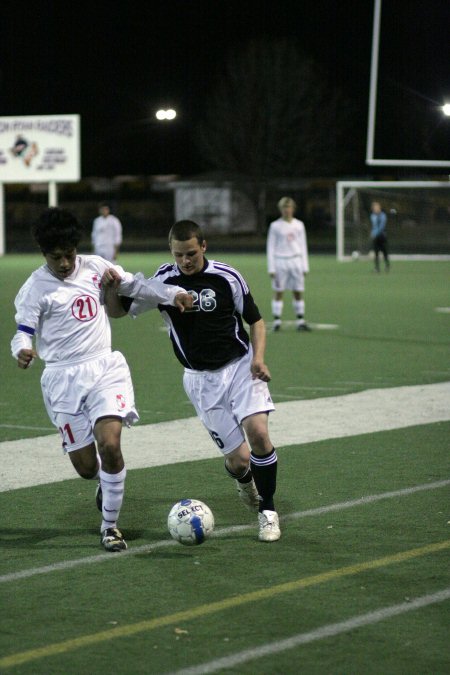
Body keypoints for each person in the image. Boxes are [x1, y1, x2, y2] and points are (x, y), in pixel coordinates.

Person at [11, 208, 192, 552]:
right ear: (43, 254)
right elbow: (23, 331)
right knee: (85, 467)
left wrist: (173, 295)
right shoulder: (34, 288)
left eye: (69, 255)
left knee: (110, 445)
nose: (65, 263)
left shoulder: (96, 267)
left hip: (104, 369)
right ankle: (107, 483)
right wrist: (22, 349)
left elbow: (137, 286)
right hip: (62, 379)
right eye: (56, 257)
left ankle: (110, 526)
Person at [102, 220, 281, 542]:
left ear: (204, 247)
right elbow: (117, 311)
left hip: (241, 368)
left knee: (259, 434)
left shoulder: (227, 276)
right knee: (239, 460)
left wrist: (258, 359)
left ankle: (267, 512)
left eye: (191, 254)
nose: (185, 261)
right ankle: (245, 482)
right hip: (201, 381)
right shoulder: (163, 282)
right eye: (179, 254)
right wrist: (109, 288)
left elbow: (255, 320)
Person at [267, 196, 310, 331]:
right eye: (284, 207)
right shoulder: (275, 226)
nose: (287, 210)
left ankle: (300, 320)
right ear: (281, 209)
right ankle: (277, 321)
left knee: (298, 291)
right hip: (280, 261)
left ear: (293, 209)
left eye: (289, 207)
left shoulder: (299, 225)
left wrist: (305, 265)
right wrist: (271, 267)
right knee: (279, 291)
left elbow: (303, 246)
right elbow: (271, 247)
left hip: (296, 261)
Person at [370, 201, 390, 272]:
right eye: (374, 207)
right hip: (376, 237)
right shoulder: (372, 216)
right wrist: (372, 233)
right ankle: (377, 268)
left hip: (382, 236)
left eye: (377, 207)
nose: (375, 209)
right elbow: (374, 226)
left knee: (385, 251)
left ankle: (387, 265)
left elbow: (381, 226)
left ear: (379, 208)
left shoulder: (383, 215)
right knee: (376, 253)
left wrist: (375, 233)